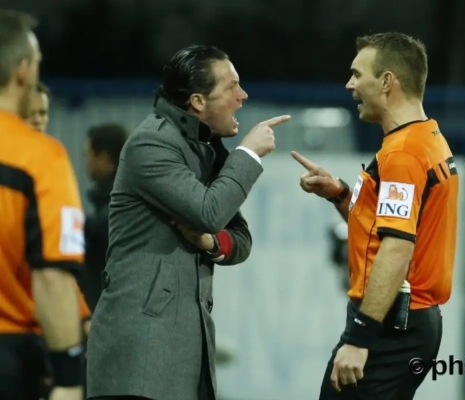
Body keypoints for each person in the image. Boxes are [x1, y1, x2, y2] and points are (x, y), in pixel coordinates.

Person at [85, 44, 291, 400]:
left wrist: (210, 242)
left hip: (180, 354)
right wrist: (248, 154)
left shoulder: (203, 151)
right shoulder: (153, 143)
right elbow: (209, 212)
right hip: (140, 358)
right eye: (231, 87)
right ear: (197, 101)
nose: (242, 96)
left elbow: (239, 238)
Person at [292, 32, 459, 400]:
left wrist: (359, 337)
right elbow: (384, 228)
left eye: (357, 74)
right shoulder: (426, 138)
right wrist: (340, 194)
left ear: (386, 82)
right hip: (406, 323)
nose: (349, 84)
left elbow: (397, 248)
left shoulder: (403, 153)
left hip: (391, 326)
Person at [0, 9, 85, 400]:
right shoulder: (40, 158)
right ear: (22, 71)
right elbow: (53, 276)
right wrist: (68, 377)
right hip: (11, 356)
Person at [82, 123, 128, 312]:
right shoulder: (122, 198)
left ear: (105, 159)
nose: (86, 162)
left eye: (88, 155)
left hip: (108, 311)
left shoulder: (116, 208)